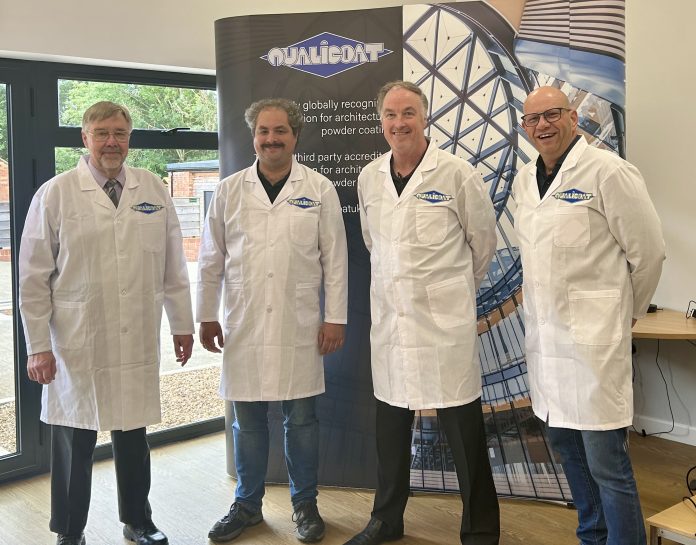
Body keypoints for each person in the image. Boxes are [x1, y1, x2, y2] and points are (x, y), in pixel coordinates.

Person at [18, 101, 195, 545]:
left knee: (133, 434)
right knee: (73, 439)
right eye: (102, 133)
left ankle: (138, 521)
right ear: (85, 138)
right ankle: (70, 531)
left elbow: (173, 266)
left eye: (119, 133)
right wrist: (38, 346)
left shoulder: (152, 188)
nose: (111, 142)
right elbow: (33, 279)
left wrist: (182, 325)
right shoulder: (56, 194)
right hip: (77, 339)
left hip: (135, 334)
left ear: (129, 139)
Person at [345, 81, 500, 545]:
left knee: (465, 436)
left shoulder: (456, 174)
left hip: (443, 328)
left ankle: (480, 531)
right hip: (392, 327)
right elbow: (374, 243)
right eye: (391, 115)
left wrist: (449, 293)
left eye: (408, 113)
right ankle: (386, 520)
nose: (400, 123)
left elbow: (482, 245)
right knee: (390, 434)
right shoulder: (369, 177)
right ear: (381, 122)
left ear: (425, 116)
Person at [514, 86, 665, 545]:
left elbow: (649, 253)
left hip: (594, 344)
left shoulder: (608, 171)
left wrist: (626, 313)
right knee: (567, 451)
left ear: (573, 117)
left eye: (552, 114)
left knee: (607, 463)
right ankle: (592, 536)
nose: (543, 125)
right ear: (525, 128)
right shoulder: (524, 181)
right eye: (533, 119)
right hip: (548, 344)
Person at [197, 98, 348, 543]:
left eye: (280, 130)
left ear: (295, 136)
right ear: (253, 137)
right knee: (246, 422)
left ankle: (305, 504)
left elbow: (335, 260)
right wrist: (206, 315)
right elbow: (210, 259)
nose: (271, 139)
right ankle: (247, 505)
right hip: (242, 323)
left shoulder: (318, 188)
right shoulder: (229, 190)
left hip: (298, 323)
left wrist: (335, 318)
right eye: (263, 131)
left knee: (301, 421)